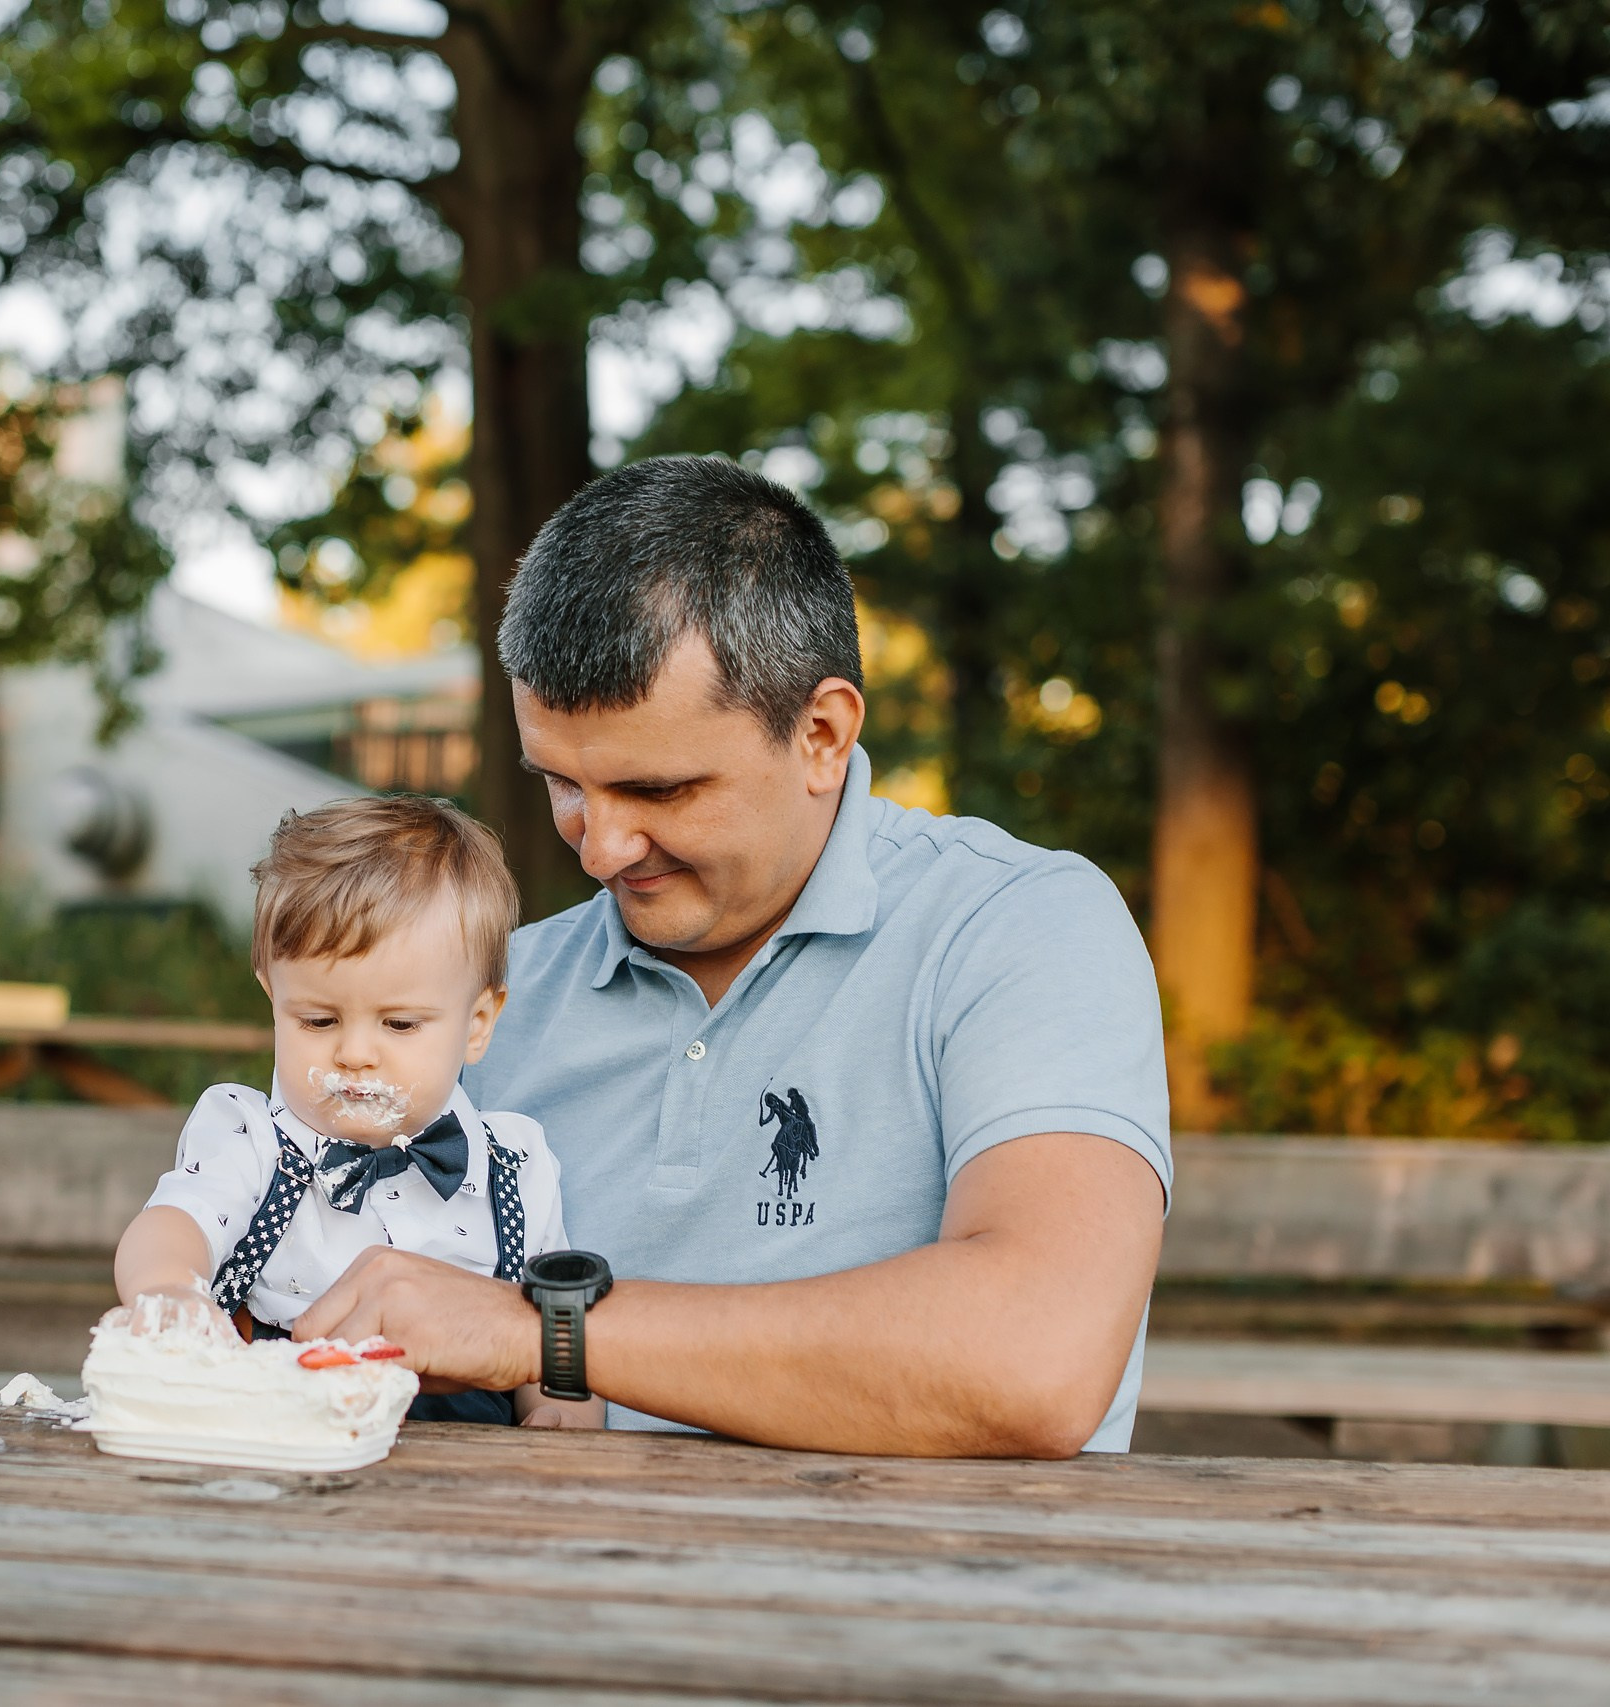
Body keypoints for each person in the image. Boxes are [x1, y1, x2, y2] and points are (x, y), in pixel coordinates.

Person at [287, 456, 1171, 1457]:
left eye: (658, 790)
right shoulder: (486, 997)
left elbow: (1037, 1359)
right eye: (562, 783)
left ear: (822, 734)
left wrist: (542, 1333)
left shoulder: (1019, 926)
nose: (599, 849)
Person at [111, 796, 601, 1428]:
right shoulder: (252, 1141)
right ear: (274, 999)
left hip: (467, 1458)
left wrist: (559, 1415)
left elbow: (551, 1333)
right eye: (319, 1020)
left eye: (400, 1024)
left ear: (477, 1024)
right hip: (283, 1433)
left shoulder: (514, 1166)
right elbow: (176, 1222)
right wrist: (169, 1290)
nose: (355, 1054)